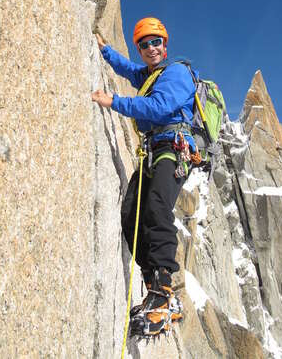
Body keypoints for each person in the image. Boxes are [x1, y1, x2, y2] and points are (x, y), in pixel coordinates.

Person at [91, 17, 197, 337]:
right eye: (144, 44)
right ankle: (155, 288)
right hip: (154, 151)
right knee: (131, 217)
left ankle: (163, 292)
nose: (151, 48)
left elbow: (159, 106)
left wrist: (115, 102)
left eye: (156, 42)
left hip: (173, 148)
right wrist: (105, 50)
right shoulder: (149, 75)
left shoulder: (177, 72)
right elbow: (127, 69)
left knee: (157, 208)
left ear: (165, 45)